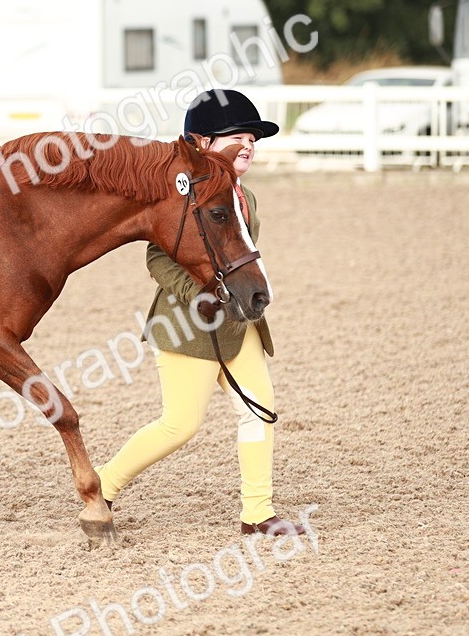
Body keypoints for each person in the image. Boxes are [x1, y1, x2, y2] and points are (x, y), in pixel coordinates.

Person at [94, 88, 308, 536]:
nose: (248, 143)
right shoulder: (179, 196)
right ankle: (102, 486)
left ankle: (257, 514)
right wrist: (196, 293)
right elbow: (157, 258)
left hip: (240, 325)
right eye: (235, 135)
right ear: (201, 144)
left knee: (259, 411)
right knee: (179, 426)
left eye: (253, 137)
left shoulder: (244, 197)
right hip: (187, 326)